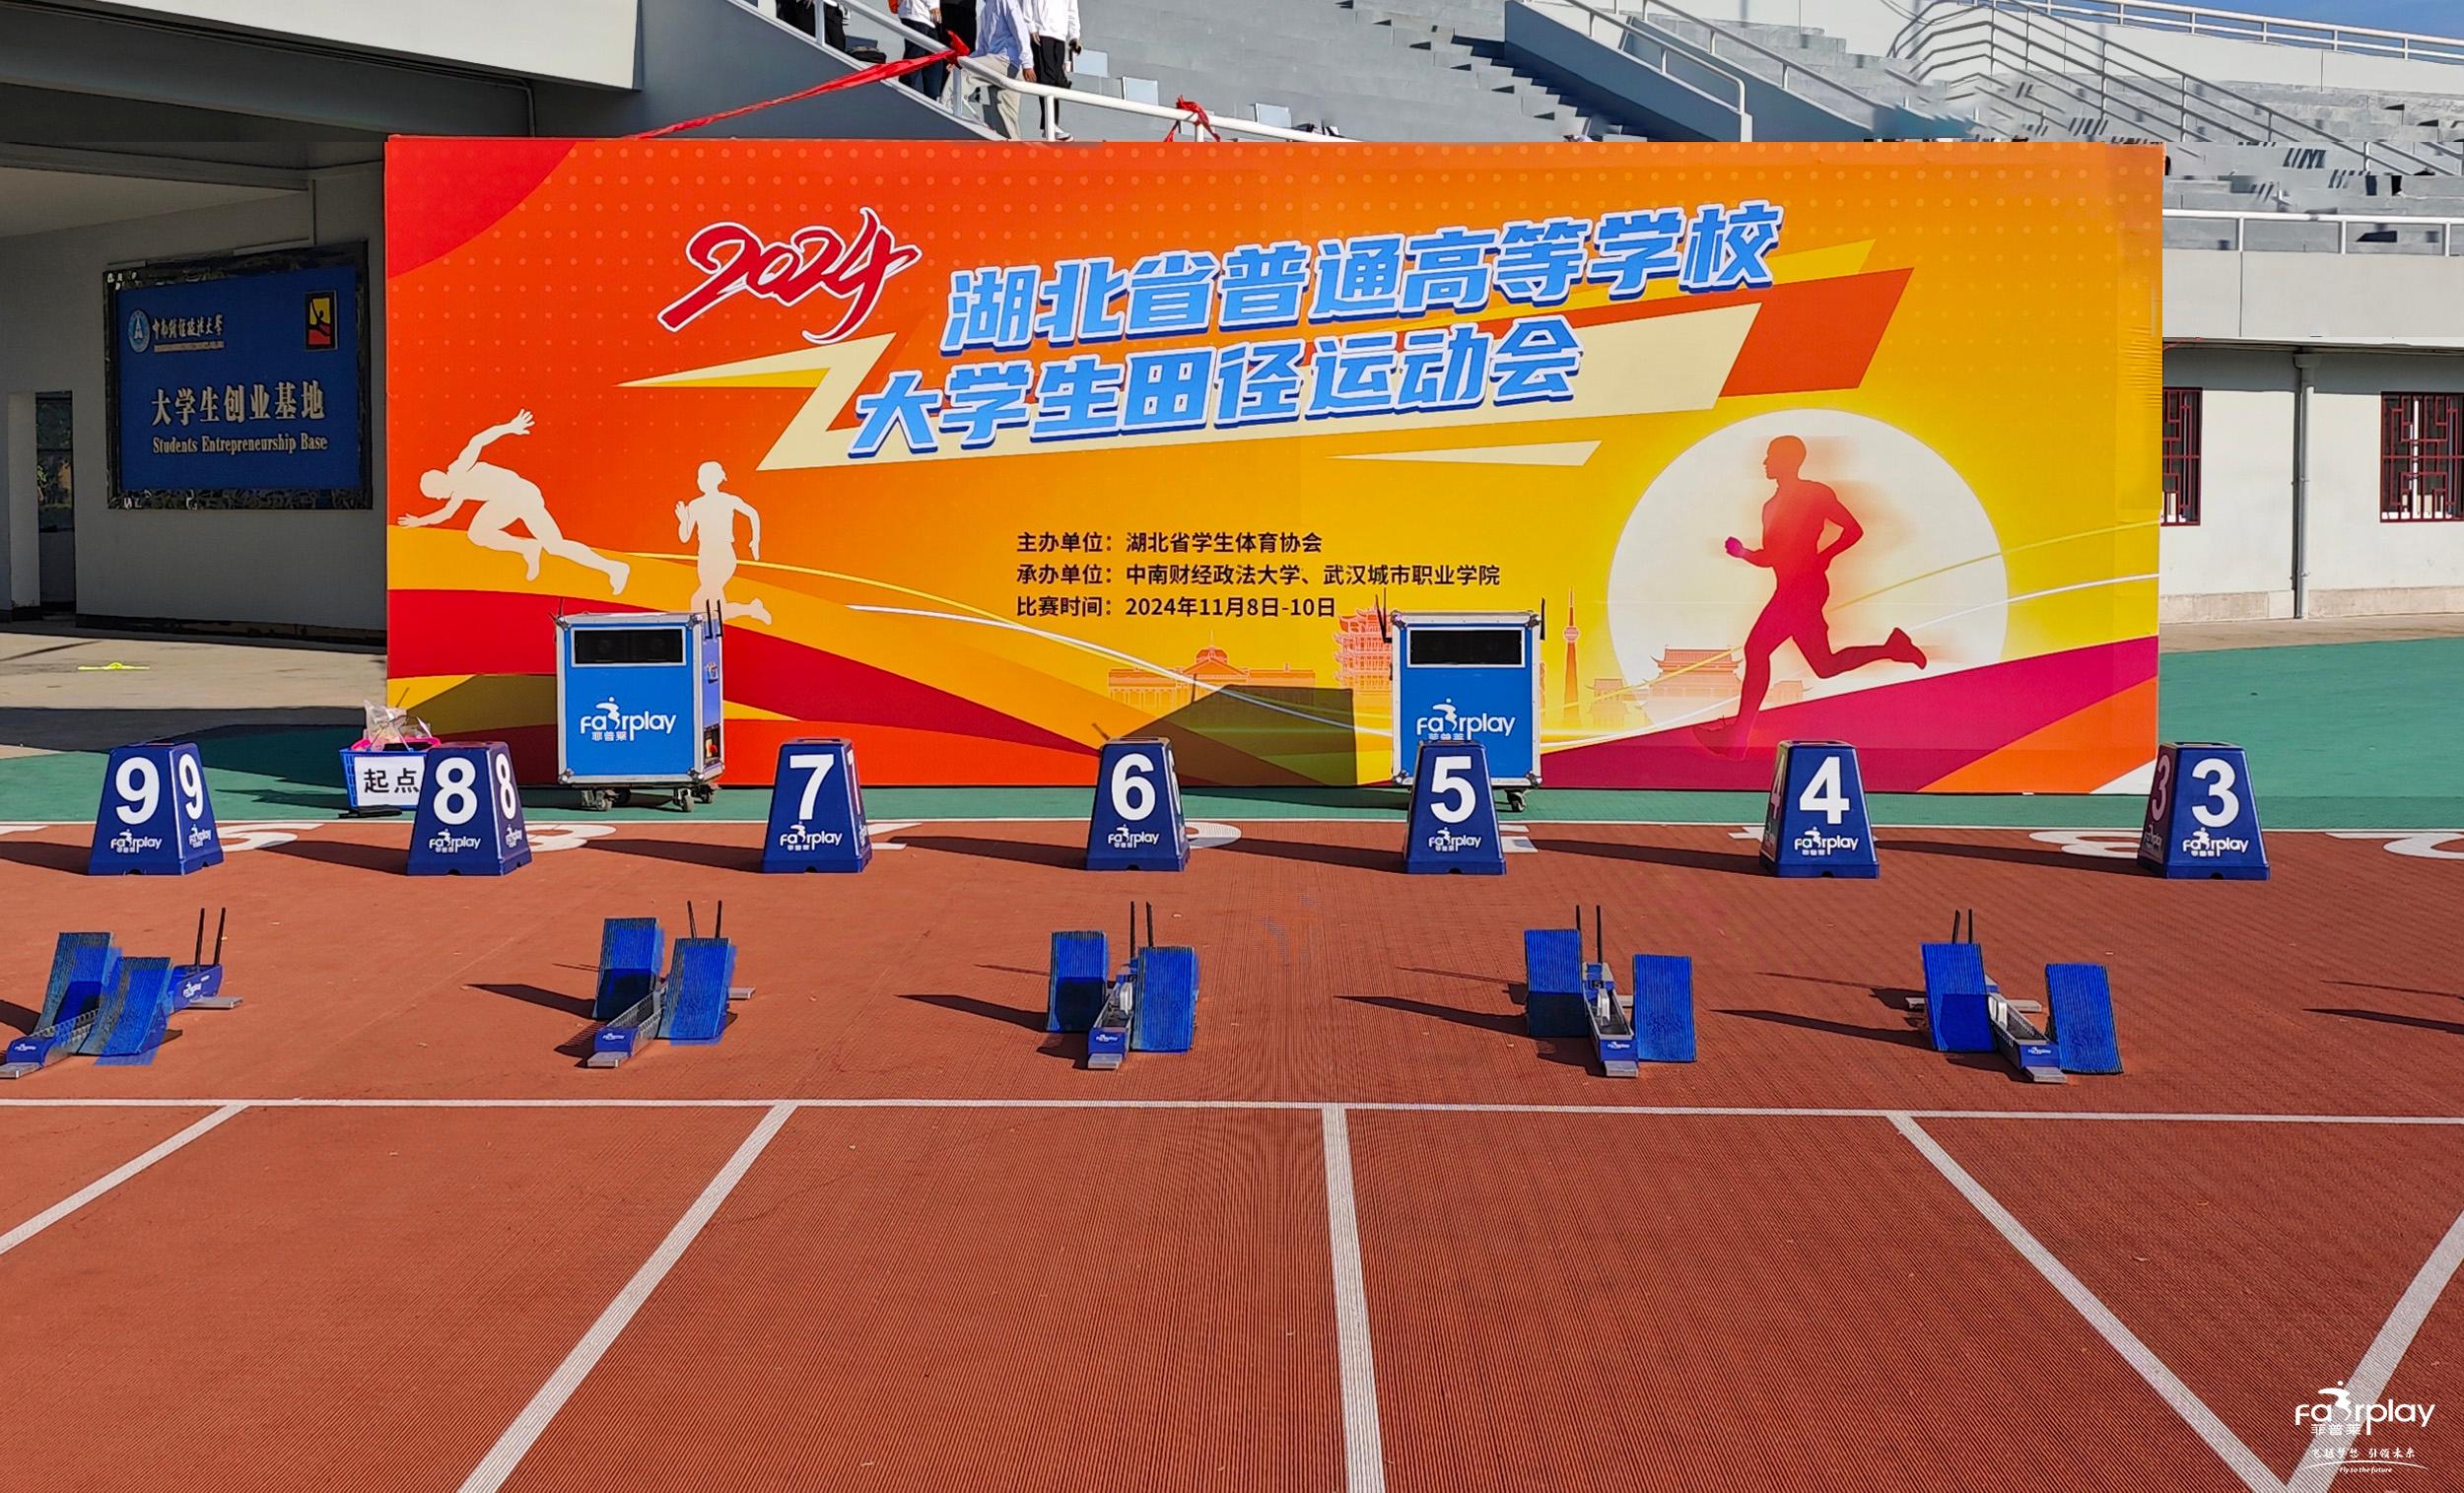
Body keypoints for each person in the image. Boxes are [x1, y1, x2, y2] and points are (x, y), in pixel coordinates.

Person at [1693, 435, 1926, 758]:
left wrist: (1824, 557)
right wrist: (1744, 553)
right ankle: (1893, 648)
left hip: (1804, 588)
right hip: (1790, 589)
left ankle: (1737, 739)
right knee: (1824, 665)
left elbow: (1853, 529)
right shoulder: (1770, 506)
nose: (1765, 462)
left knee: (1757, 649)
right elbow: (1772, 557)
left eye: (1771, 456)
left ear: (1789, 460)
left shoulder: (1815, 494)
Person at [397, 410, 630, 595]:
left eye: (437, 495)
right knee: (477, 533)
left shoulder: (459, 469)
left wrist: (510, 427)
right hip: (505, 501)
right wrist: (420, 521)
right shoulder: (457, 492)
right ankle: (527, 548)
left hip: (522, 495)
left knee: (555, 545)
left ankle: (614, 568)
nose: (440, 499)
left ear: (440, 484)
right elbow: (446, 514)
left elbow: (477, 441)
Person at [676, 461, 770, 624]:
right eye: (700, 477)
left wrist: (755, 540)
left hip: (724, 554)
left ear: (716, 479)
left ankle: (752, 609)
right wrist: (683, 521)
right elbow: (685, 537)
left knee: (699, 601)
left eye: (704, 477)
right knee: (715, 608)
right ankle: (752, 609)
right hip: (704, 557)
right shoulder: (695, 504)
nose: (701, 481)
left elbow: (753, 513)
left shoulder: (728, 500)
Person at [967, 0, 1033, 139]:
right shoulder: (986, 10)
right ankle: (1013, 147)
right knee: (1003, 112)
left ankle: (945, 105)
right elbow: (982, 49)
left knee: (966, 72)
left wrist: (1027, 63)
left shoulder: (1005, 1)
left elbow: (1020, 29)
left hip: (1008, 62)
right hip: (996, 63)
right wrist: (963, 61)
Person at [1021, 0, 1078, 140]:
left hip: (1060, 35)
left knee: (1055, 80)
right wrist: (1031, 27)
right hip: (1041, 32)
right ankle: (1049, 125)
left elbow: (1072, 11)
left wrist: (1074, 36)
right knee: (1046, 79)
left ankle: (1051, 124)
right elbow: (1027, 3)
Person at [899, 0, 949, 101]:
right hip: (917, 14)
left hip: (925, 17)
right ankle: (903, 91)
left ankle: (932, 98)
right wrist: (933, 5)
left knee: (934, 59)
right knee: (916, 55)